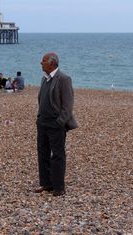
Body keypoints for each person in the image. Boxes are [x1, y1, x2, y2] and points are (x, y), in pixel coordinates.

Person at [34, 52, 78, 197]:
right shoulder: (44, 79)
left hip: (56, 124)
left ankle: (59, 187)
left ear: (52, 63)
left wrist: (60, 122)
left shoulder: (64, 79)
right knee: (43, 153)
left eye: (44, 61)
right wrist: (39, 117)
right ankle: (46, 183)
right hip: (43, 122)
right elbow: (42, 99)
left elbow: (68, 104)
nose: (41, 63)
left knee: (57, 155)